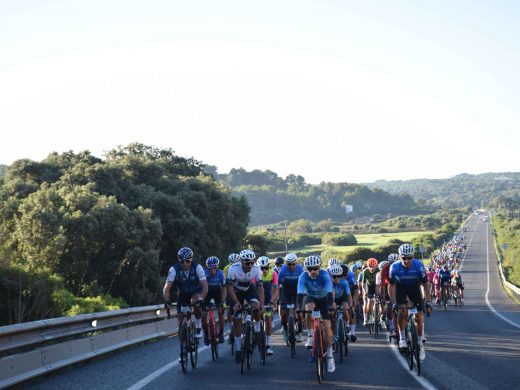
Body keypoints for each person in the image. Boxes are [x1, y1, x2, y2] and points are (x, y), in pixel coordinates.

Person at [389, 243, 431, 361]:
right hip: (400, 287)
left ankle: (420, 343)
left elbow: (425, 284)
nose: (406, 260)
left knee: (419, 315)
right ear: (399, 256)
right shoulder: (395, 267)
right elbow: (391, 286)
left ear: (413, 256)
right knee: (402, 312)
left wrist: (427, 301)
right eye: (404, 258)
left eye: (409, 258)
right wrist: (394, 303)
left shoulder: (419, 265)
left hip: (414, 287)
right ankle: (402, 338)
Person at [297, 255, 336, 373]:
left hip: (324, 299)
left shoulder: (324, 275)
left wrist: (329, 305)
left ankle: (330, 357)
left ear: (319, 267)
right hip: (310, 297)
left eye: (315, 268)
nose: (312, 271)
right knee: (308, 308)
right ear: (306, 269)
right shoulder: (303, 276)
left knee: (326, 328)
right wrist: (299, 307)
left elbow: (329, 291)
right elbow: (299, 293)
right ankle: (310, 336)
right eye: (309, 269)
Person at [227, 249, 265, 364]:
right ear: (242, 262)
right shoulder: (233, 269)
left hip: (249, 290)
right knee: (237, 320)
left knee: (256, 308)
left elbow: (260, 289)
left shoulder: (257, 270)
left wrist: (261, 304)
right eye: (247, 263)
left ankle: (257, 330)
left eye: (251, 263)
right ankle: (238, 349)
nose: (249, 265)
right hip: (235, 292)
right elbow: (229, 288)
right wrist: (236, 302)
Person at [163, 247, 208, 339]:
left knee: (195, 302)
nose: (185, 264)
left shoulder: (197, 267)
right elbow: (166, 289)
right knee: (181, 318)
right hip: (183, 294)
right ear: (179, 260)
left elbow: (205, 287)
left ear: (191, 260)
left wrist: (201, 298)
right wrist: (167, 300)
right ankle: (184, 346)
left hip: (196, 292)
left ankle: (199, 327)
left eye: (187, 261)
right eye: (182, 261)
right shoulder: (174, 269)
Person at [278, 253, 304, 343]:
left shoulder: (300, 269)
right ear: (286, 263)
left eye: (293, 264)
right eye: (289, 264)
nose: (291, 266)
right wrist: (278, 296)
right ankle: (285, 330)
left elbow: (304, 282)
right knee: (284, 313)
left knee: (299, 312)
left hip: (297, 290)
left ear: (296, 263)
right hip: (286, 291)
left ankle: (300, 333)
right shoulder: (282, 270)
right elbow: (277, 284)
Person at [257, 256, 279, 356]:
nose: (264, 270)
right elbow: (252, 290)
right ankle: (255, 333)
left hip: (268, 300)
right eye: (261, 268)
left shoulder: (273, 273)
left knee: (268, 321)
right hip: (257, 299)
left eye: (266, 267)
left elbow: (276, 290)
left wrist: (272, 301)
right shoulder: (255, 275)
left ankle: (268, 345)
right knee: (256, 317)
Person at [202, 256, 226, 345]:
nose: (212, 270)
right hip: (206, 293)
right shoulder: (204, 274)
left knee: (220, 311)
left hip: (217, 292)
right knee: (203, 315)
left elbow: (224, 289)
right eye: (210, 268)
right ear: (207, 268)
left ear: (217, 267)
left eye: (214, 268)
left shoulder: (221, 274)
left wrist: (223, 301)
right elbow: (201, 288)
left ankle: (221, 333)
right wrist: (201, 300)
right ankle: (206, 334)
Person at [330, 264, 352, 343]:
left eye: (338, 276)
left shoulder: (344, 282)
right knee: (332, 315)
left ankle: (347, 326)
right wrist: (332, 304)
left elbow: (349, 295)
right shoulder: (329, 282)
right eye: (334, 276)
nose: (336, 278)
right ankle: (332, 336)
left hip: (342, 297)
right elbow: (331, 296)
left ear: (341, 275)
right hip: (333, 298)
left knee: (345, 308)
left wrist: (351, 306)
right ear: (331, 276)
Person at [341, 263, 359, 341]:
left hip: (350, 293)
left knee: (351, 312)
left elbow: (356, 291)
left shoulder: (351, 276)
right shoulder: (334, 277)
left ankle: (353, 333)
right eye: (342, 275)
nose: (344, 277)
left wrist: (354, 302)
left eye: (345, 275)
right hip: (339, 294)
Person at [361, 258, 380, 326]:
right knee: (370, 301)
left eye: (373, 267)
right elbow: (363, 283)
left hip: (377, 285)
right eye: (370, 267)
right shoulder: (365, 272)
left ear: (376, 266)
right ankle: (371, 317)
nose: (371, 268)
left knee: (379, 300)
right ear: (367, 266)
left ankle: (380, 315)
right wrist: (364, 291)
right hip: (369, 287)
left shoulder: (378, 270)